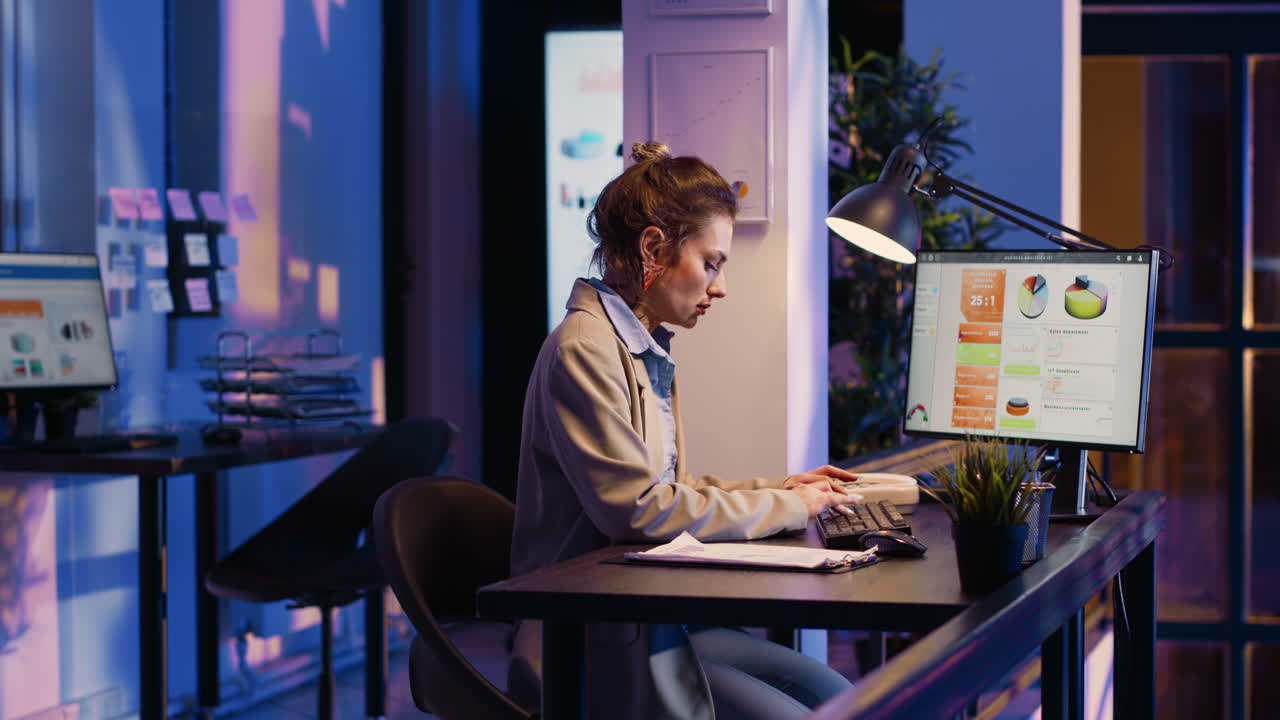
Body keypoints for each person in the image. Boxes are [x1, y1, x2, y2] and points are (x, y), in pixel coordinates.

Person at [509, 141, 861, 720]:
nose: (718, 287)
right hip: (591, 630)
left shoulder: (640, 345)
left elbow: (674, 487)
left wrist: (782, 487)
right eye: (712, 262)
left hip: (643, 615)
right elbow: (639, 512)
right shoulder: (585, 350)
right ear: (653, 248)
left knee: (838, 697)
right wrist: (788, 506)